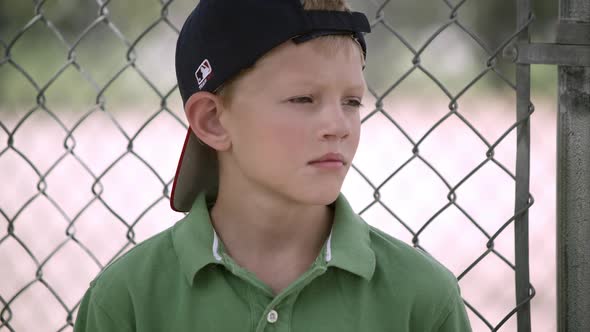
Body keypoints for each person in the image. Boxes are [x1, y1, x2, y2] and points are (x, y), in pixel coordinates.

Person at [74, 0, 473, 331]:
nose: (338, 126)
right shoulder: (127, 301)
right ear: (213, 120)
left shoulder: (422, 299)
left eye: (352, 102)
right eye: (303, 99)